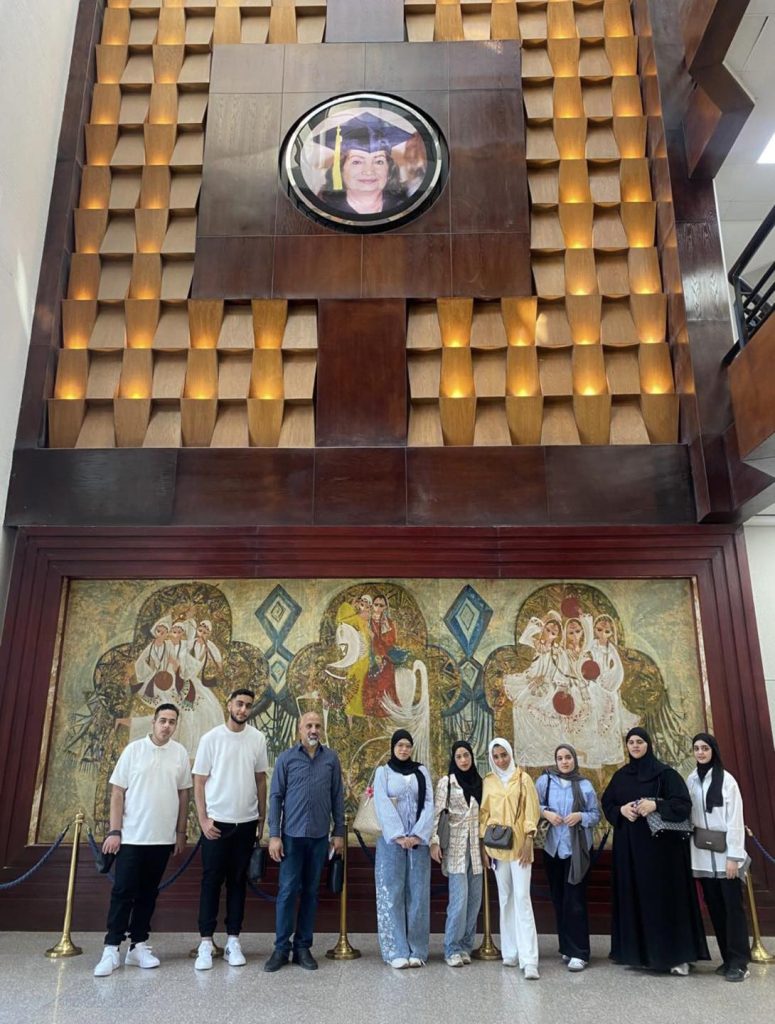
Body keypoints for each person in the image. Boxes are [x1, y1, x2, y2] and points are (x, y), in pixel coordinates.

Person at [601, 727, 709, 974]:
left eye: (639, 741)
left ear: (648, 744)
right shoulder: (621, 776)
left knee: (664, 901)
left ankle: (676, 957)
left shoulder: (665, 774)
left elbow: (683, 805)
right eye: (631, 742)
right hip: (629, 852)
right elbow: (608, 803)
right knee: (635, 899)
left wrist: (655, 805)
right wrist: (621, 810)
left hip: (662, 855)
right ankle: (639, 955)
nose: (635, 746)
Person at [94, 703, 191, 977]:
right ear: (153, 722)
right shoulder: (134, 750)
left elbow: (184, 794)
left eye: (172, 722)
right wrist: (115, 831)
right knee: (123, 892)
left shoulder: (179, 753)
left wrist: (180, 832)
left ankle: (138, 945)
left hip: (161, 838)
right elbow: (117, 791)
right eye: (163, 720)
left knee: (149, 893)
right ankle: (111, 948)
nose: (167, 726)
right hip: (132, 837)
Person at [192, 689, 268, 970]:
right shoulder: (211, 739)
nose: (243, 709)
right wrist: (203, 820)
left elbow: (261, 780)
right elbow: (199, 781)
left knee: (238, 882)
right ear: (229, 705)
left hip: (246, 823)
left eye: (248, 705)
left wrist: (261, 818)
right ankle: (206, 942)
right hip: (216, 824)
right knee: (211, 882)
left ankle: (233, 941)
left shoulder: (257, 739)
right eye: (239, 704)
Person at [264, 711, 345, 972]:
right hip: (291, 838)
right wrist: (274, 835)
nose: (313, 730)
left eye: (317, 726)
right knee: (287, 891)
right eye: (309, 725)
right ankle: (281, 948)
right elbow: (275, 797)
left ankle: (302, 948)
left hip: (319, 838)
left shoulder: (331, 759)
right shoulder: (286, 759)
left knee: (311, 892)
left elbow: (337, 796)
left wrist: (339, 832)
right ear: (300, 729)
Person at [687, 733, 751, 981]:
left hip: (726, 856)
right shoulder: (692, 779)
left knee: (733, 909)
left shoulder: (727, 781)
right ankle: (727, 958)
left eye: (705, 748)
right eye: (696, 748)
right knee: (715, 908)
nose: (700, 752)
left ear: (713, 750)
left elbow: (735, 820)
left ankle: (740, 962)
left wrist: (734, 857)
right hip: (703, 854)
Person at [479, 737, 541, 979]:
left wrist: (529, 839)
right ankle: (510, 952)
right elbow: (484, 814)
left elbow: (531, 810)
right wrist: (483, 846)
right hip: (496, 847)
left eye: (504, 755)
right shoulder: (489, 781)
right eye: (496, 756)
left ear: (510, 754)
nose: (501, 760)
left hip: (520, 847)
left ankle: (529, 959)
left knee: (522, 897)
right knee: (505, 898)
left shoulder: (523, 779)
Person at [536, 744, 600, 971]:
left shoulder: (584, 785)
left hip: (577, 850)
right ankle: (566, 947)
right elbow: (532, 806)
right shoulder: (545, 782)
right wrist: (546, 813)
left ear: (574, 759)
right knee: (559, 898)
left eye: (568, 757)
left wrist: (580, 816)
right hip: (553, 848)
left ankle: (580, 952)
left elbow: (595, 815)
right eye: (560, 758)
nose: (564, 762)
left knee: (575, 900)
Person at [373, 729, 434, 968]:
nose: (404, 749)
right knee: (392, 892)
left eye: (408, 745)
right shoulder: (383, 772)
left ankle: (417, 949)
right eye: (400, 745)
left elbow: (428, 802)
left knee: (418, 893)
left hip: (418, 842)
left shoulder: (421, 772)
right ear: (393, 747)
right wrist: (399, 835)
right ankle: (395, 950)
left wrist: (417, 834)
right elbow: (381, 803)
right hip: (392, 842)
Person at [430, 740, 483, 967]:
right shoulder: (447, 782)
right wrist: (434, 842)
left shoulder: (479, 782)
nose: (463, 760)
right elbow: (437, 814)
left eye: (466, 755)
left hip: (476, 849)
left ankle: (465, 946)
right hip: (456, 848)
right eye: (459, 756)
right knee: (459, 901)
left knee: (474, 901)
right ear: (454, 759)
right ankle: (451, 948)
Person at [316, 112, 410, 217]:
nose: (369, 171)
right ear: (341, 169)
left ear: (389, 169)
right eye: (357, 162)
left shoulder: (406, 207)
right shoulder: (324, 211)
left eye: (379, 161)